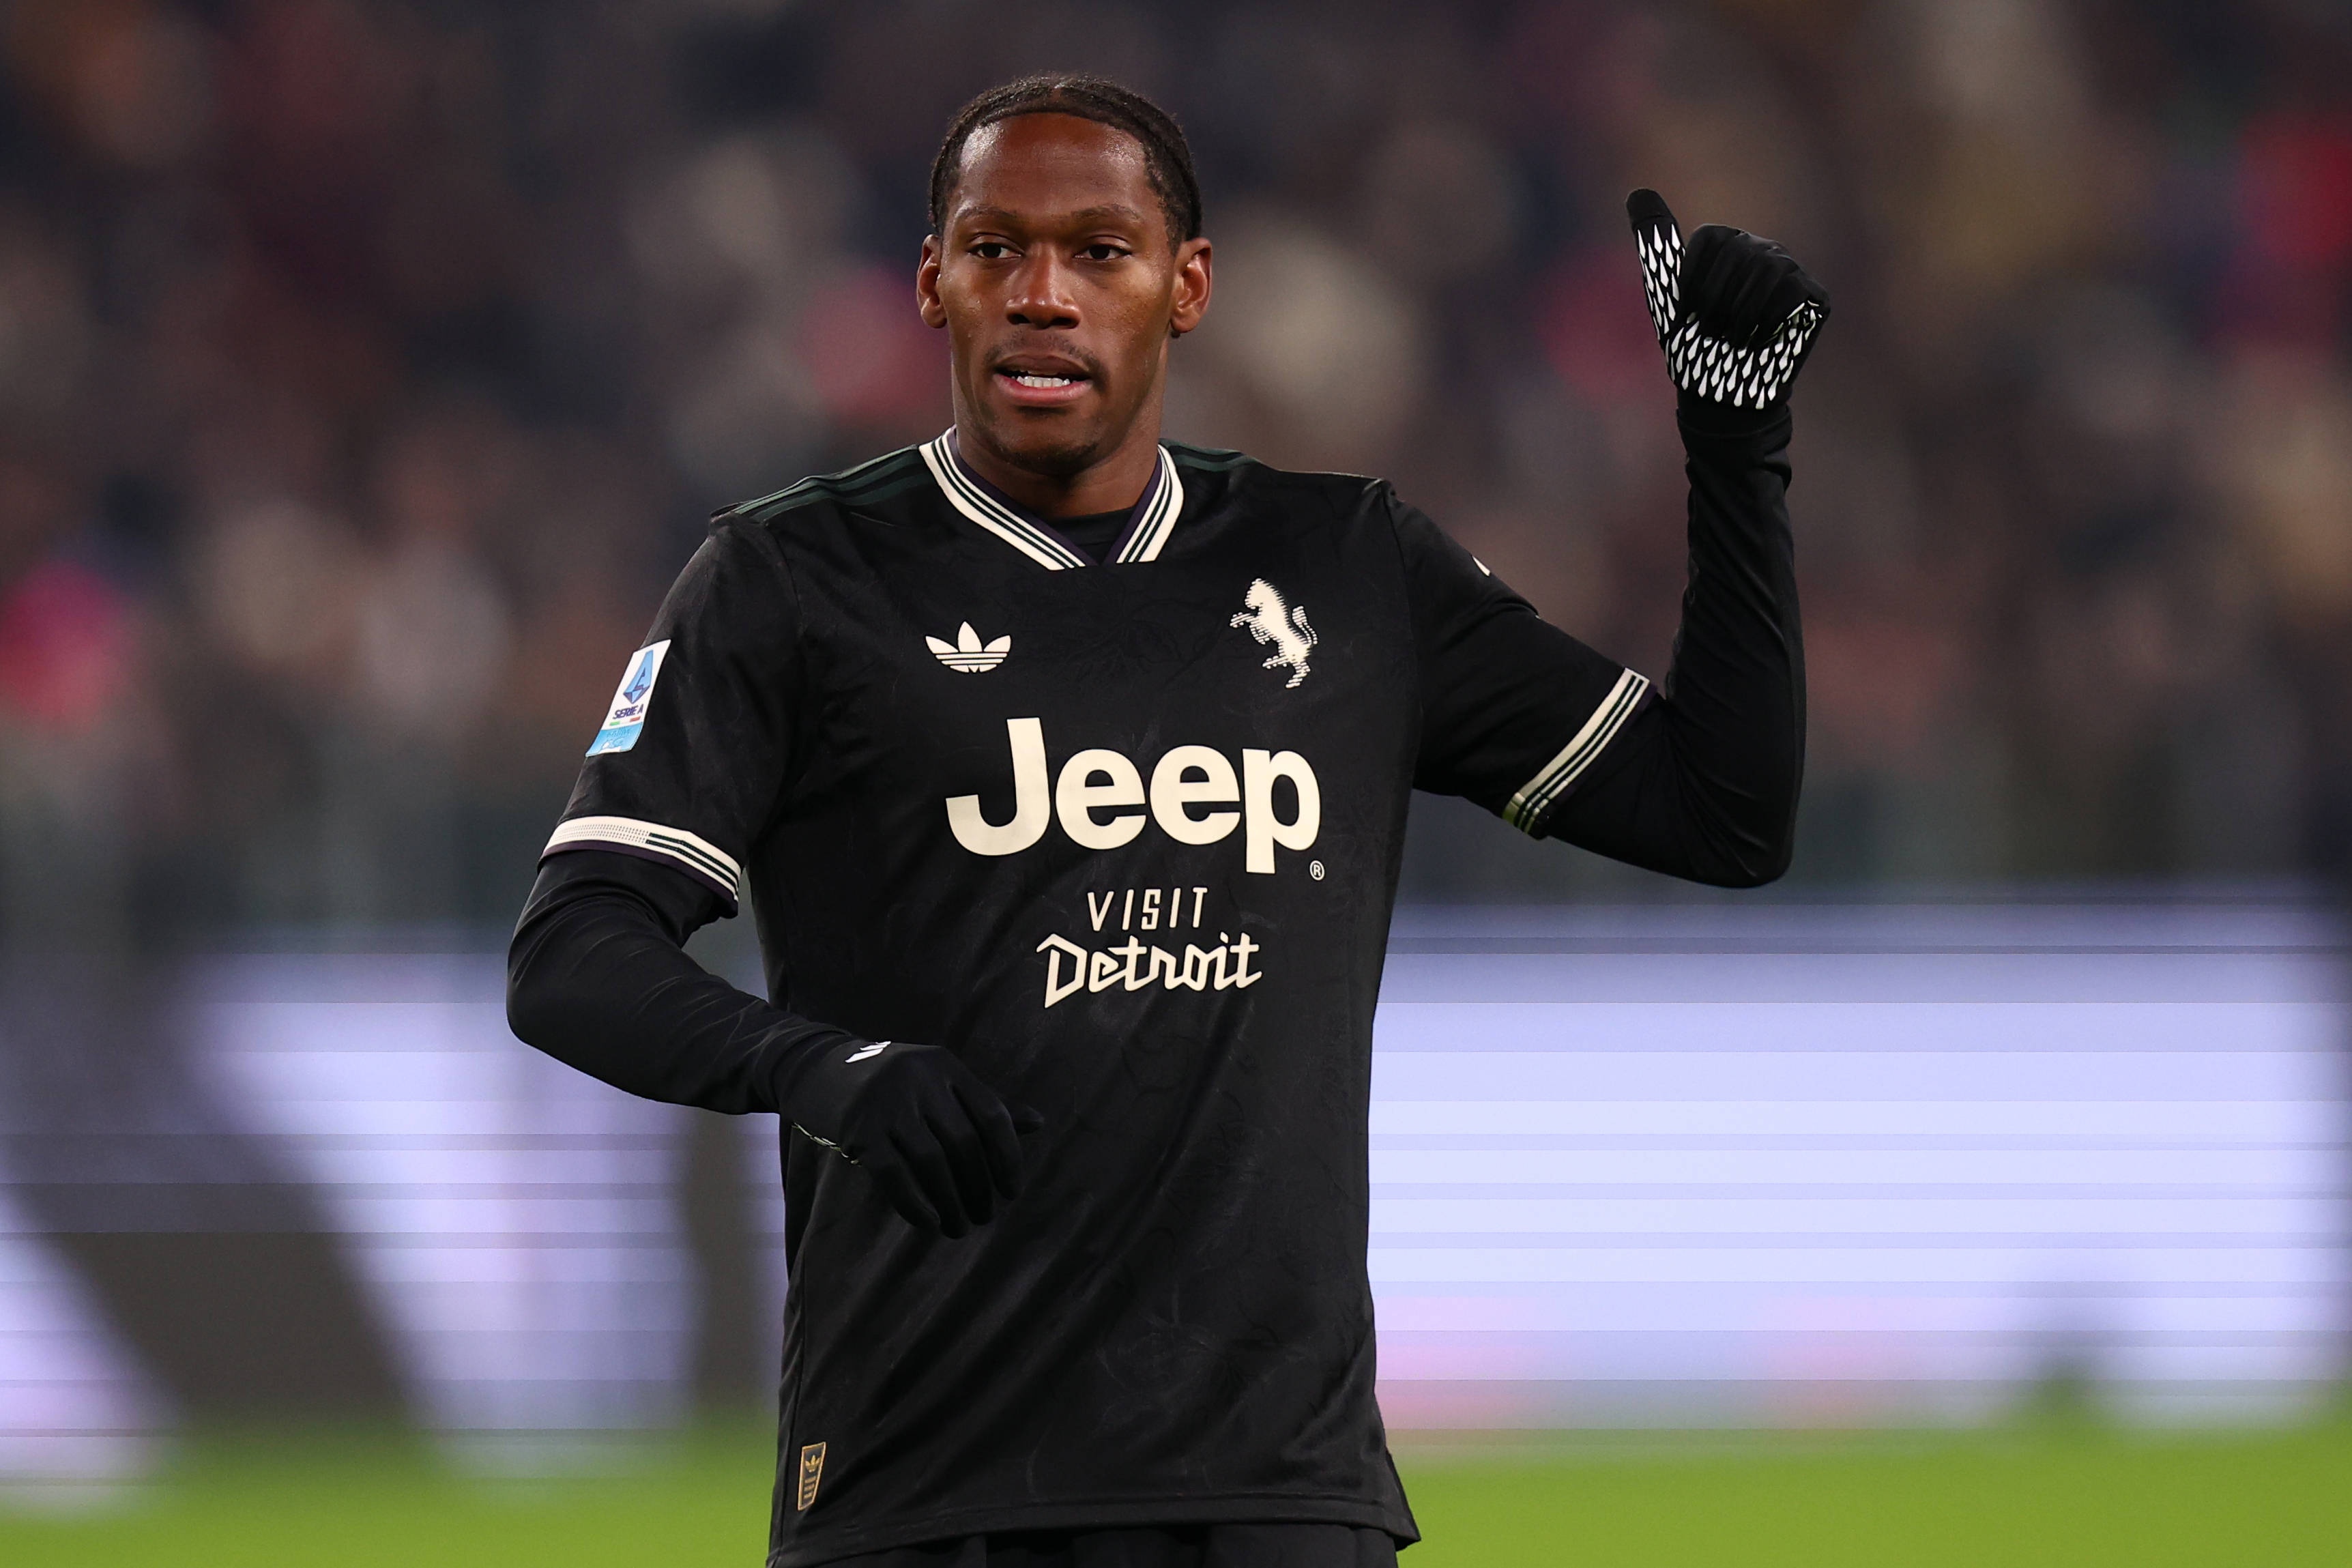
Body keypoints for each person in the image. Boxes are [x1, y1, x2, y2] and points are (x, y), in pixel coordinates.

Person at [508, 74, 1825, 1568]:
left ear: (1186, 287)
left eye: (1099, 250)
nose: (1042, 293)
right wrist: (822, 1070)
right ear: (931, 283)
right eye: (994, 249)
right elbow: (572, 953)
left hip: (1280, 1493)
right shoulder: (791, 582)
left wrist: (1737, 457)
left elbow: (1721, 812)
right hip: (926, 1485)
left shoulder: (1346, 568)